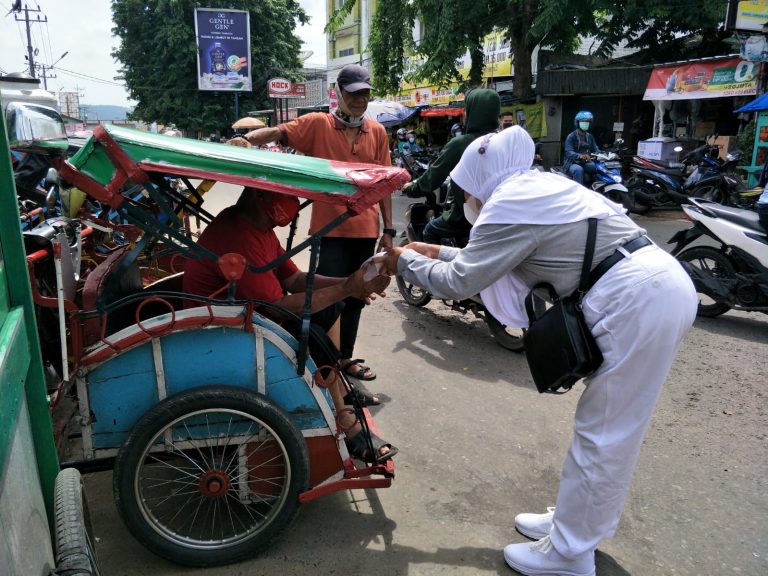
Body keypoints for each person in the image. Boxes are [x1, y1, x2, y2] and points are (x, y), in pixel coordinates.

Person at [377, 126, 697, 576]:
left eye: (468, 189)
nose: (467, 199)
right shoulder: (534, 188)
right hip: (648, 287)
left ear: (481, 179)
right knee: (604, 430)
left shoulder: (508, 205)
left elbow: (461, 281)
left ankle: (569, 553)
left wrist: (404, 261)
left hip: (636, 300)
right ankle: (571, 524)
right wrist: (432, 250)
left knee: (605, 433)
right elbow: (487, 258)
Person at [182, 187, 397, 463]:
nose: (273, 225)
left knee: (331, 306)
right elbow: (277, 308)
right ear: (258, 196)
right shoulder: (238, 234)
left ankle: (339, 391)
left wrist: (350, 284)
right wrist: (346, 288)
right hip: (221, 332)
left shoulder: (257, 226)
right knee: (314, 334)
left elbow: (294, 280)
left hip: (245, 315)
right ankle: (344, 418)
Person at [230, 64, 393, 382]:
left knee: (356, 297)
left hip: (366, 229)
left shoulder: (377, 132)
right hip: (329, 229)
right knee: (327, 297)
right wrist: (245, 139)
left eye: (365, 94)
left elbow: (385, 183)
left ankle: (343, 359)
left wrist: (388, 230)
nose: (360, 100)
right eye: (353, 94)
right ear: (338, 94)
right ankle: (322, 362)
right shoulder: (319, 124)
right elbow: (278, 132)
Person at [401, 89, 500, 245]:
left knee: (429, 231)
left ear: (472, 113)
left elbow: (433, 178)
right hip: (502, 214)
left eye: (466, 109)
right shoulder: (504, 141)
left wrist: (412, 188)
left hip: (466, 218)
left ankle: (436, 262)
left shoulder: (461, 144)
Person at [563, 110, 600, 185]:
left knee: (596, 167)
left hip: (585, 162)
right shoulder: (571, 136)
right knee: (578, 170)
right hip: (572, 163)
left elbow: (596, 149)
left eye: (588, 122)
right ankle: (578, 190)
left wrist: (607, 155)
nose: (586, 123)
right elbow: (568, 152)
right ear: (577, 123)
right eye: (583, 121)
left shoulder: (590, 136)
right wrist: (580, 156)